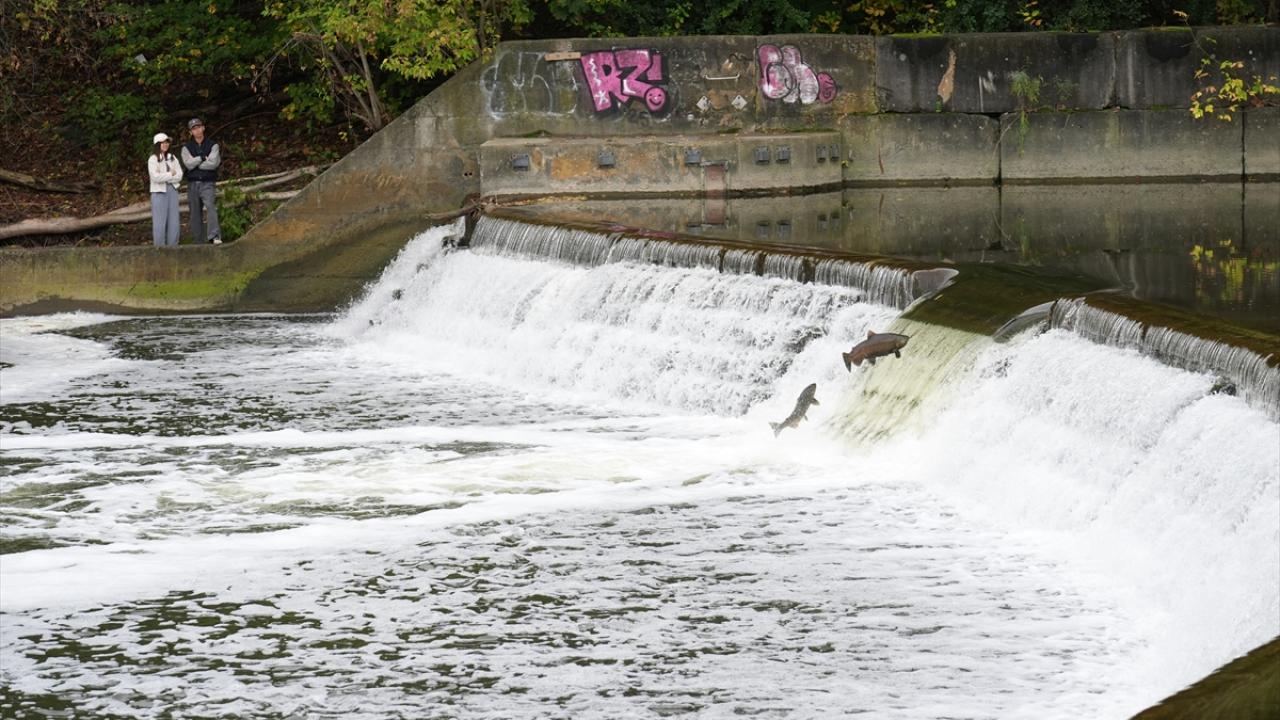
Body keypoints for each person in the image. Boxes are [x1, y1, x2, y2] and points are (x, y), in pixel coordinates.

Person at [181, 117, 223, 244]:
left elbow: (213, 163)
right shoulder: (186, 148)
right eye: (194, 129)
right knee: (195, 213)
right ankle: (198, 240)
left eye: (198, 127)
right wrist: (202, 158)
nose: (197, 130)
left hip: (207, 183)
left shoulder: (213, 145)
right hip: (192, 183)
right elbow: (188, 165)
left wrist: (196, 163)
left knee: (211, 207)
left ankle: (214, 236)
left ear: (203, 128)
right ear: (190, 132)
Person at [147, 133, 183, 247]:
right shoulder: (153, 159)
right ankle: (160, 248)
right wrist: (170, 174)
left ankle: (173, 247)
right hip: (158, 192)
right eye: (163, 142)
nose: (165, 144)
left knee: (174, 221)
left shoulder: (172, 158)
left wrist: (165, 176)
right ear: (157, 144)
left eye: (167, 142)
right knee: (159, 222)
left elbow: (179, 175)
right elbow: (155, 178)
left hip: (172, 190)